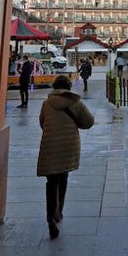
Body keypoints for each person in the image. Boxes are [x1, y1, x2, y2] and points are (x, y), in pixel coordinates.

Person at [37, 75, 94, 239]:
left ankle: (50, 218)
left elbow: (42, 123)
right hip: (68, 146)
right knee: (63, 176)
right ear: (68, 87)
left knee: (51, 182)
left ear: (54, 87)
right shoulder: (75, 102)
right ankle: (59, 211)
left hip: (50, 145)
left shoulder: (46, 103)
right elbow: (89, 121)